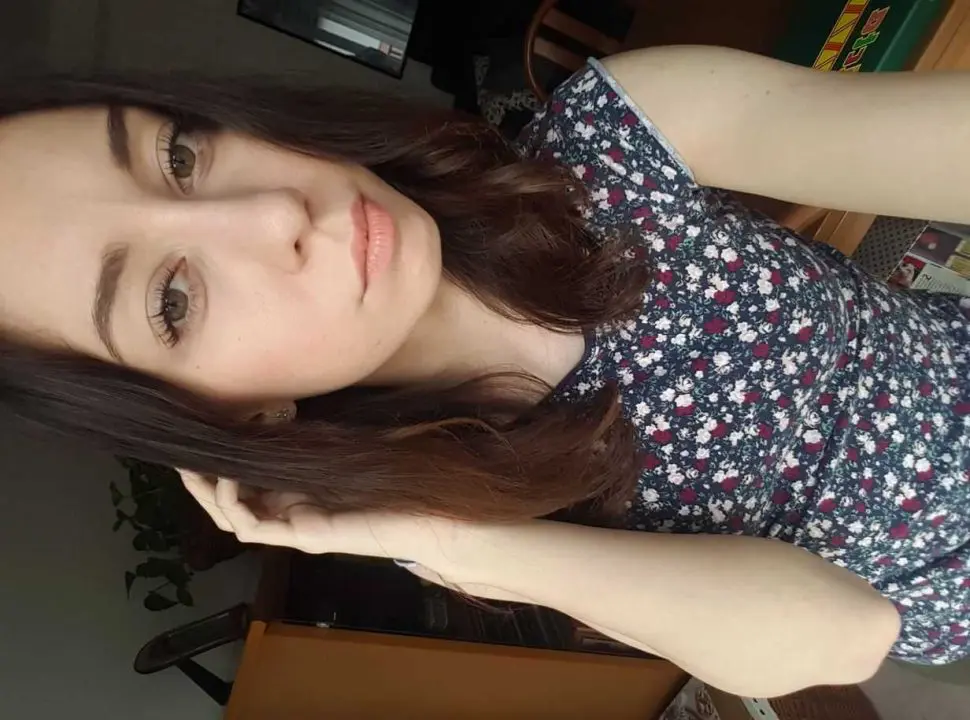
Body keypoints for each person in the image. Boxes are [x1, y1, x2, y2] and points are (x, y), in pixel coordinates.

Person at [1, 45, 967, 697]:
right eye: (172, 300)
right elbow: (846, 633)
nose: (271, 213)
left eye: (178, 155)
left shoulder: (625, 137)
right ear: (224, 416)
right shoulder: (464, 508)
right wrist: (444, 541)